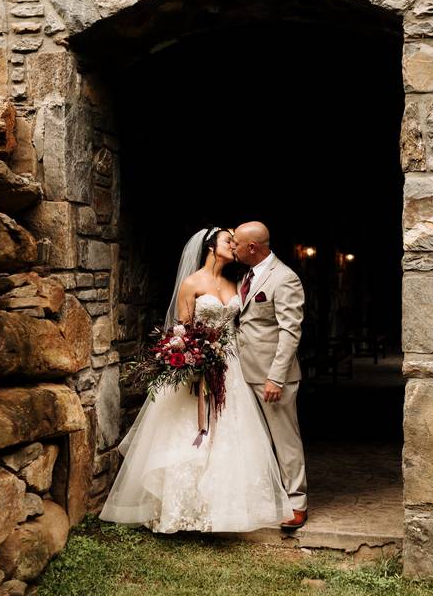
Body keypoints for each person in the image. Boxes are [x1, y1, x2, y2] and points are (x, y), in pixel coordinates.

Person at [99, 227, 292, 533]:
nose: (234, 245)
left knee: (231, 434)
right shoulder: (192, 284)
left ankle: (224, 508)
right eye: (228, 240)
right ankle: (183, 509)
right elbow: (181, 330)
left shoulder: (236, 282)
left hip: (232, 367)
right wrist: (193, 359)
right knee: (193, 433)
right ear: (211, 247)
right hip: (201, 366)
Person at [232, 221, 308, 529]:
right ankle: (264, 499)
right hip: (241, 373)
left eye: (236, 243)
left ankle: (297, 502)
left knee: (285, 440)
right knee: (255, 441)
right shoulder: (244, 277)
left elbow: (290, 332)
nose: (233, 248)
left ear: (252, 248)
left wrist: (276, 377)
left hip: (271, 377)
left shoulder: (285, 279)